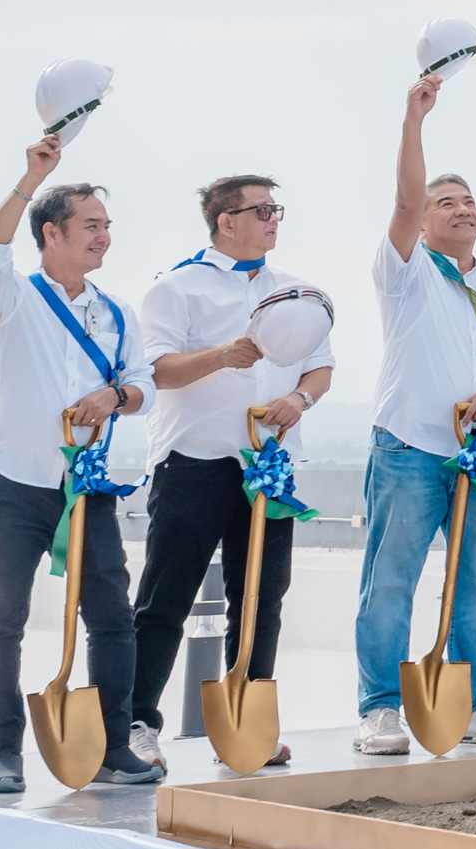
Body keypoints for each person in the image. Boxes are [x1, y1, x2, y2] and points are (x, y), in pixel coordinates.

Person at [0, 126, 158, 795]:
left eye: (107, 225)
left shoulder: (118, 312)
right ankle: (4, 755)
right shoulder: (13, 298)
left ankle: (112, 746)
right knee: (2, 619)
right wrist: (30, 177)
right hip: (15, 481)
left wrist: (115, 396)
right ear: (51, 233)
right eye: (90, 225)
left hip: (89, 486)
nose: (104, 236)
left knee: (111, 614)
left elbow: (146, 386)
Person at [354, 71, 476, 757]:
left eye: (468, 201)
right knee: (392, 581)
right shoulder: (405, 271)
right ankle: (378, 709)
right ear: (424, 220)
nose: (461, 209)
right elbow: (403, 200)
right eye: (445, 202)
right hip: (409, 448)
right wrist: (414, 122)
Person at [126, 173, 335, 772]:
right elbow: (158, 372)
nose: (274, 219)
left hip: (269, 468)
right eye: (262, 209)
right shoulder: (176, 288)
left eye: (277, 209)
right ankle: (138, 722)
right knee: (166, 599)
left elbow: (319, 368)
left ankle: (249, 722)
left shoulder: (296, 291)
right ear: (226, 220)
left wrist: (299, 402)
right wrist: (223, 355)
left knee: (262, 599)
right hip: (194, 462)